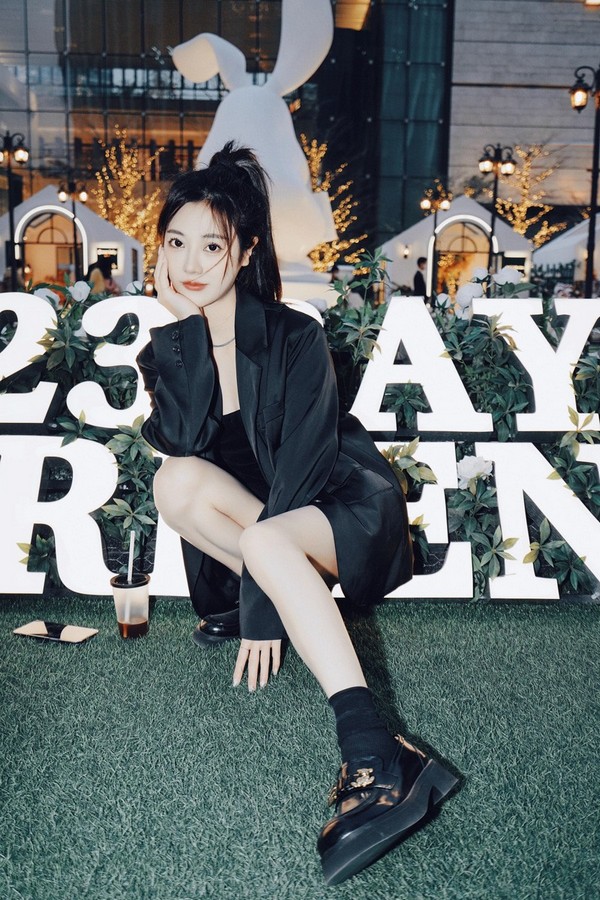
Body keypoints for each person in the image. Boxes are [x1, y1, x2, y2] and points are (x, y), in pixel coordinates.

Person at [136, 142, 459, 885]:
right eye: (177, 243)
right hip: (272, 528)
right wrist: (185, 330)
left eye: (212, 244)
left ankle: (378, 755)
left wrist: (260, 602)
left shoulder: (293, 335)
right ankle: (294, 597)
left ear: (247, 251)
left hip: (338, 507)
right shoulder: (168, 351)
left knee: (271, 544)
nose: (191, 262)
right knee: (173, 483)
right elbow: (179, 442)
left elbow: (305, 474)